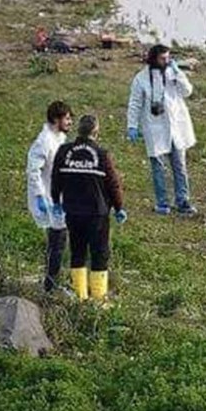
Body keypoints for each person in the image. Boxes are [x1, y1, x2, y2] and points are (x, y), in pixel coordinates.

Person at [51, 115, 127, 303]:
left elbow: (56, 178)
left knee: (77, 252)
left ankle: (80, 297)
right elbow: (113, 184)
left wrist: (56, 201)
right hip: (97, 213)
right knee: (99, 254)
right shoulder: (102, 155)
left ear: (79, 131)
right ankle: (99, 300)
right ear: (96, 132)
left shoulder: (64, 151)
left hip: (73, 212)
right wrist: (119, 207)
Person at [126, 44, 197, 215]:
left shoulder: (173, 73)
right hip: (155, 128)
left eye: (168, 58)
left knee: (179, 166)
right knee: (158, 167)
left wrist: (178, 73)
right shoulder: (141, 78)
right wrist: (132, 125)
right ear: (153, 59)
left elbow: (187, 91)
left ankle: (182, 201)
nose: (166, 61)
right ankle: (162, 203)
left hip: (176, 126)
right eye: (162, 58)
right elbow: (135, 103)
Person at [26, 101, 73, 292]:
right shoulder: (44, 141)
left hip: (59, 198)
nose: (70, 122)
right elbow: (33, 170)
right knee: (57, 242)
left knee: (59, 242)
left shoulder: (59, 138)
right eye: (67, 118)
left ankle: (53, 282)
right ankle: (50, 286)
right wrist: (39, 196)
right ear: (56, 119)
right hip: (48, 198)